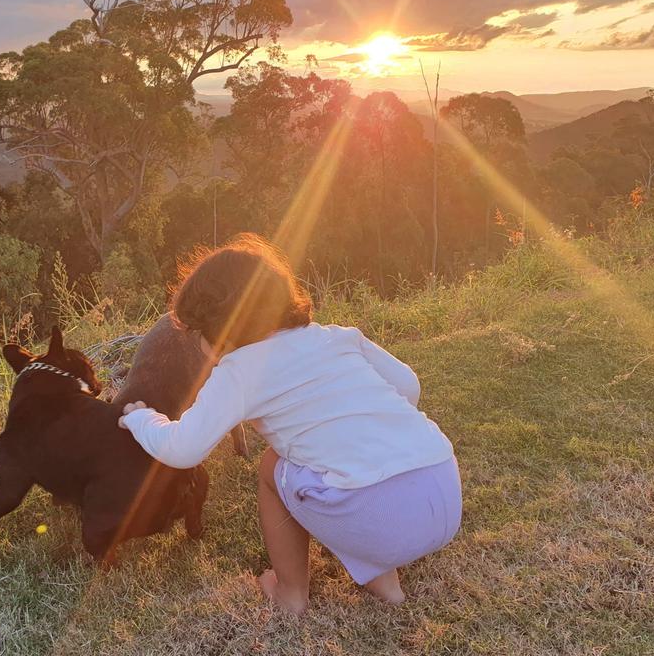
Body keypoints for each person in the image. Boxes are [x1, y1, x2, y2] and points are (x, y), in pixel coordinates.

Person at [118, 233, 461, 615]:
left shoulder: (239, 371)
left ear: (216, 328)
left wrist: (141, 417)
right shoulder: (339, 338)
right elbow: (409, 387)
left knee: (272, 468)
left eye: (197, 331)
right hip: (443, 493)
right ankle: (386, 584)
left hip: (379, 521)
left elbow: (183, 449)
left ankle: (291, 593)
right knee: (359, 463)